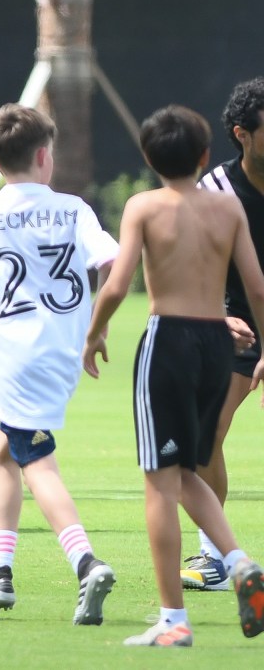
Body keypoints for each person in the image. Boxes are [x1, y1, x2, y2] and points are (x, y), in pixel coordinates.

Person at [82, 104, 264, 646]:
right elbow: (256, 286)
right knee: (188, 467)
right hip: (218, 343)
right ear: (206, 154)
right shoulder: (228, 210)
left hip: (170, 340)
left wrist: (94, 334)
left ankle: (173, 621)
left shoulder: (142, 206)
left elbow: (116, 283)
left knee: (159, 481)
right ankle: (238, 564)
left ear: (147, 157)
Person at [0, 104, 118, 624]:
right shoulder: (73, 208)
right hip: (63, 353)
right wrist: (98, 322)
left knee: (35, 459)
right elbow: (111, 260)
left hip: (18, 357)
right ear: (45, 156)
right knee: (1, 456)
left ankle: (85, 562)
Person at [181, 77, 264, 591]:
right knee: (203, 436)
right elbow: (188, 266)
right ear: (243, 134)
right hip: (238, 325)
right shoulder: (215, 190)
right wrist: (214, 316)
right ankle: (215, 556)